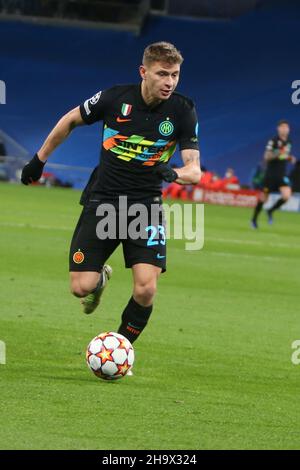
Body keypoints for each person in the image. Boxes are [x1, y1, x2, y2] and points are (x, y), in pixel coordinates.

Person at [21, 42, 201, 357]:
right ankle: (100, 278)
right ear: (144, 72)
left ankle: (118, 351)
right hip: (103, 201)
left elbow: (194, 171)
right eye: (162, 74)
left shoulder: (182, 110)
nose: (169, 82)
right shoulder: (114, 99)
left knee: (146, 289)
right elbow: (70, 120)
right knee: (81, 287)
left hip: (145, 208)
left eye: (174, 75)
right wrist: (39, 160)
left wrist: (173, 173)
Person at [251, 120, 296, 228]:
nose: (284, 129)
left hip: (282, 175)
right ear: (278, 128)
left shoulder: (289, 142)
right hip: (270, 175)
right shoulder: (273, 141)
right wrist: (278, 152)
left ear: (289, 129)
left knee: (286, 196)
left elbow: (284, 156)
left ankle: (270, 211)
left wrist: (289, 158)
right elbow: (266, 156)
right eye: (282, 127)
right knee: (263, 198)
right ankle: (254, 219)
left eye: (286, 127)